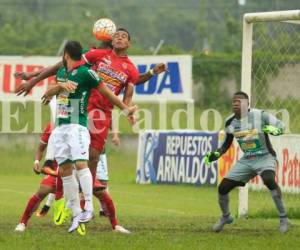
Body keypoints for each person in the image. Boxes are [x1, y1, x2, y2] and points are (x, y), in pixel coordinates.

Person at [43, 40, 136, 233]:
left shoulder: (87, 72)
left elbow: (107, 93)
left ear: (66, 54)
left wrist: (125, 109)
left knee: (81, 164)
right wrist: (59, 87)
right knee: (66, 169)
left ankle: (89, 208)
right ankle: (77, 212)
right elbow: (49, 93)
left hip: (77, 126)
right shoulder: (62, 73)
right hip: (61, 128)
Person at [204, 91, 288, 233]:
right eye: (234, 101)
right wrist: (217, 153)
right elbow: (227, 143)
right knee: (222, 188)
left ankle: (283, 219)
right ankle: (226, 217)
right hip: (247, 159)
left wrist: (272, 129)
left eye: (240, 101)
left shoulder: (260, 115)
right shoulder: (230, 122)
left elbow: (281, 127)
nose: (236, 103)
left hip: (265, 157)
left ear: (247, 104)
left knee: (268, 179)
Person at [15, 123, 62, 232]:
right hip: (55, 171)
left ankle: (110, 225)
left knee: (99, 192)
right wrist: (36, 162)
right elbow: (40, 149)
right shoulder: (51, 126)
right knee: (42, 191)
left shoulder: (78, 125)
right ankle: (22, 223)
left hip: (74, 171)